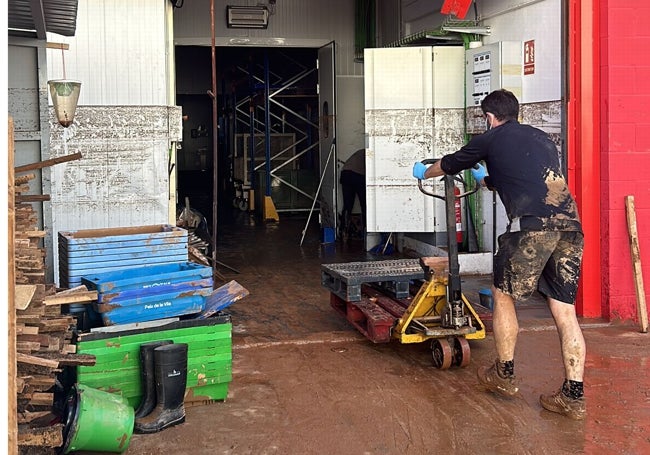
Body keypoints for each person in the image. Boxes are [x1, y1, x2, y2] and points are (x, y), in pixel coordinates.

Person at [412, 89, 586, 420]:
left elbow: (449, 164)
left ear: (490, 117)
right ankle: (573, 396)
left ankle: (503, 374)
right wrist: (488, 179)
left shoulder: (489, 139)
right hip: (570, 228)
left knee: (503, 296)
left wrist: (424, 172)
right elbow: (528, 180)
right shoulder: (543, 139)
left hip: (529, 229)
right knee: (565, 312)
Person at [339, 148, 366, 240]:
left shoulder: (361, 151)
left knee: (347, 205)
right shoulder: (371, 153)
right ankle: (366, 232)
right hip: (357, 175)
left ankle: (344, 231)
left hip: (345, 173)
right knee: (365, 204)